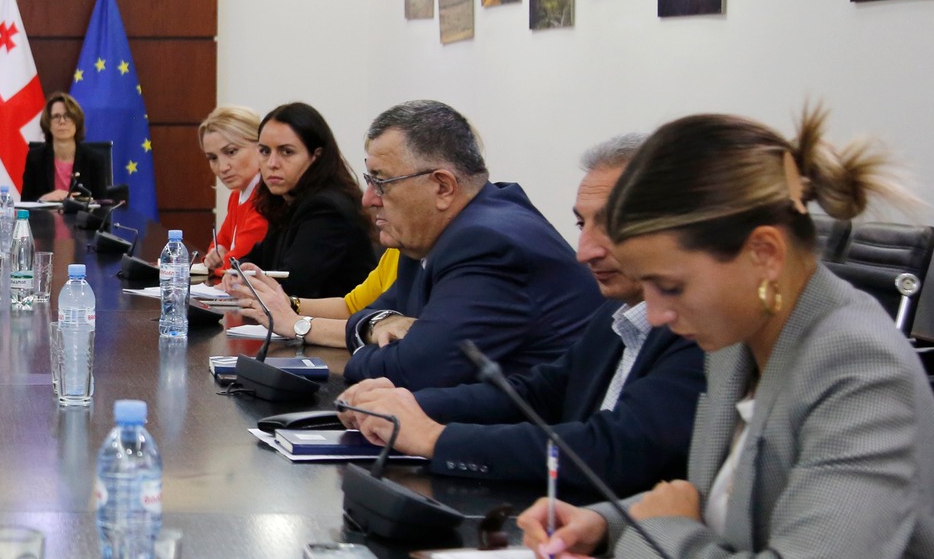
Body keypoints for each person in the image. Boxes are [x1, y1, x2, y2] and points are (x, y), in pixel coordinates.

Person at [517, 109, 934, 559]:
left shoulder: (859, 368)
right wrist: (604, 521)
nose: (656, 315)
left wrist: (654, 535)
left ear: (764, 253)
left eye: (671, 287)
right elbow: (722, 502)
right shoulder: (738, 339)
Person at [339, 134, 704, 496]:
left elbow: (618, 448)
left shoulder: (697, 328)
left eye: (611, 227)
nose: (585, 252)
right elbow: (538, 393)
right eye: (582, 225)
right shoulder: (617, 311)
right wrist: (405, 406)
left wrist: (437, 438)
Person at [339, 100, 602, 388]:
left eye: (381, 182)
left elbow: (414, 371)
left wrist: (359, 355)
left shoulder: (489, 244)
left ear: (443, 187)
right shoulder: (426, 236)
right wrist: (376, 324)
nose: (368, 199)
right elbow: (366, 315)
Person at [238, 103, 379, 298]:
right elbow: (255, 261)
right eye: (264, 151)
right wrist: (237, 274)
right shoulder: (285, 200)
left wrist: (244, 280)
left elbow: (292, 286)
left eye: (287, 152)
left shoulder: (327, 209)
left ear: (316, 156)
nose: (272, 163)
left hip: (333, 317)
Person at [224, 247, 398, 348]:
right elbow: (350, 307)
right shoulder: (395, 253)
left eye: (381, 194)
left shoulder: (325, 208)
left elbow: (377, 330)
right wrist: (288, 303)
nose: (368, 200)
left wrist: (297, 325)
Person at [196, 106, 268, 278]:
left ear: (260, 146)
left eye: (231, 152)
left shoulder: (267, 198)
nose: (222, 167)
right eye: (213, 158)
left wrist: (219, 262)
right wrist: (215, 257)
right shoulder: (237, 195)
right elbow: (218, 247)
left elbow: (235, 265)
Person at [21, 92, 112, 202]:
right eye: (56, 116)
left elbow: (102, 205)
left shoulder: (94, 159)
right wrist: (43, 199)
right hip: (46, 214)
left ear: (76, 122)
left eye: (68, 116)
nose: (62, 121)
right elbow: (25, 202)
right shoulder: (35, 158)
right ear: (48, 123)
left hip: (81, 214)